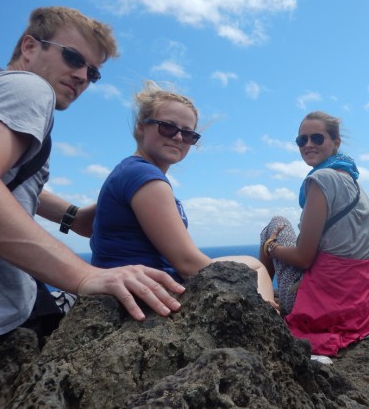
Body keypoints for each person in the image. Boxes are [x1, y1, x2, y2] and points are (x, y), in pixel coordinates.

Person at [0, 7, 184, 400]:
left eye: (93, 72)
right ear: (29, 46)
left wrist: (73, 217)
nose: (82, 77)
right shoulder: (28, 89)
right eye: (73, 58)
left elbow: (7, 178)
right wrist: (83, 275)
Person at [90, 81, 276, 308]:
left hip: (140, 288)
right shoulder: (144, 176)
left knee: (253, 264)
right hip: (145, 292)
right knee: (255, 271)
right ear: (141, 126)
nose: (178, 137)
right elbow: (187, 263)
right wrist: (251, 298)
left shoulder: (130, 171)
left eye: (188, 134)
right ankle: (266, 320)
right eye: (168, 127)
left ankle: (267, 323)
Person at [259, 111, 369, 357]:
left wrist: (271, 246)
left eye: (317, 139)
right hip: (359, 300)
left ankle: (263, 304)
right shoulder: (354, 183)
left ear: (335, 142)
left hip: (325, 302)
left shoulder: (321, 179)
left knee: (275, 223)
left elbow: (304, 258)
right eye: (302, 140)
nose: (308, 145)